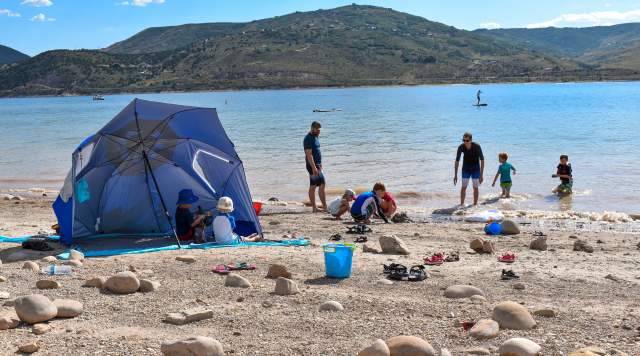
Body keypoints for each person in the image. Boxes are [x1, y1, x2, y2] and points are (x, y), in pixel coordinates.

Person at [454, 132, 485, 206]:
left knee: (475, 188)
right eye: (463, 140)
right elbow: (457, 161)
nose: (465, 142)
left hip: (476, 169)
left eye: (467, 140)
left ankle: (475, 205)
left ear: (471, 140)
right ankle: (461, 205)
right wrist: (455, 175)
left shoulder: (477, 146)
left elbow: (482, 160)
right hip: (465, 169)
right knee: (463, 187)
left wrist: (481, 174)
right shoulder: (461, 147)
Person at [303, 121, 327, 212]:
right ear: (312, 128)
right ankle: (324, 207)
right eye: (317, 129)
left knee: (313, 185)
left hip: (317, 165)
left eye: (320, 130)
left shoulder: (315, 137)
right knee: (321, 184)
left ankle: (315, 208)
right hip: (312, 165)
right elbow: (309, 154)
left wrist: (319, 165)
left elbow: (316, 151)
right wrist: (314, 167)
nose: (319, 131)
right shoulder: (308, 138)